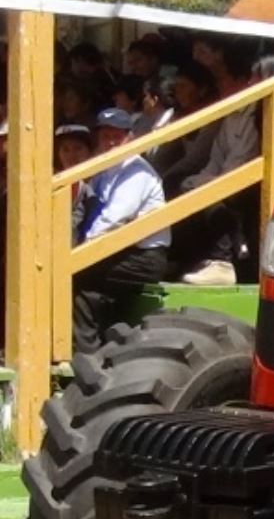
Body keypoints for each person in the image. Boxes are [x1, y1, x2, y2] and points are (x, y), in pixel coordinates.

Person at [71, 109, 170, 353]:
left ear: (131, 137)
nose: (112, 143)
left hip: (144, 257)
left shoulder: (137, 171)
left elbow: (113, 218)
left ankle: (86, 353)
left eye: (118, 136)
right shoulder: (105, 170)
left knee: (79, 274)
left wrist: (79, 252)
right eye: (106, 136)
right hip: (118, 252)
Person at [177, 41, 260, 285]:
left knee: (213, 195)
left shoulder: (251, 114)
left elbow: (238, 162)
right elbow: (215, 159)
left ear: (243, 82)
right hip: (221, 176)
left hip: (245, 183)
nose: (221, 89)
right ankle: (197, 260)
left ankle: (222, 262)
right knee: (186, 188)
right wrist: (197, 181)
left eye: (226, 83)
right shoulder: (227, 116)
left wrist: (206, 184)